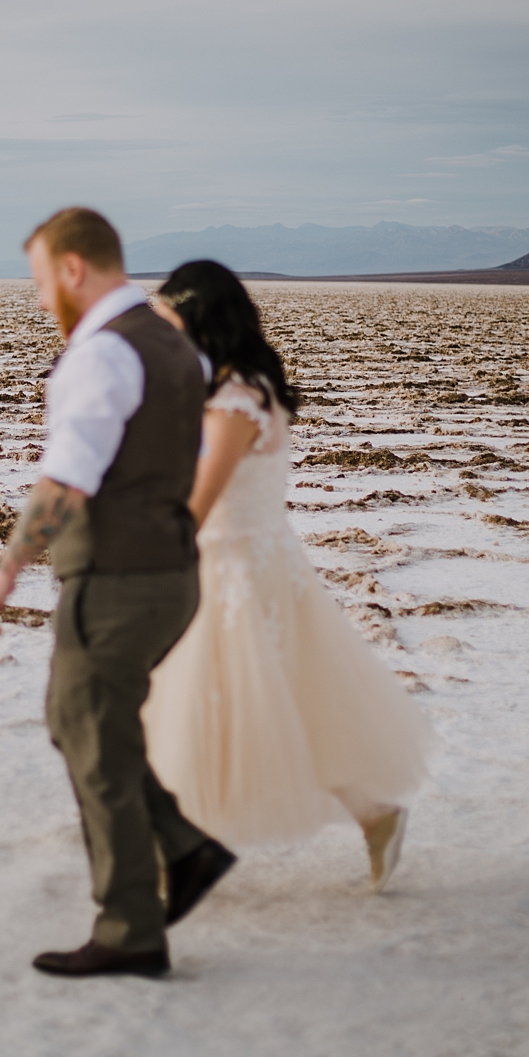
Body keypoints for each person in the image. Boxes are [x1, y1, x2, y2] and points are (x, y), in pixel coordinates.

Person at [0, 210, 236, 978]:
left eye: (36, 281)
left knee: (91, 740)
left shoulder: (99, 355)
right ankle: (185, 851)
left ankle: (130, 930)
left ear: (70, 269)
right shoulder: (176, 349)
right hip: (170, 574)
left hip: (119, 580)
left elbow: (66, 477)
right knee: (86, 724)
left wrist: (7, 567)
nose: (36, 300)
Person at [143, 261, 433, 891]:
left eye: (168, 322)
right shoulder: (245, 389)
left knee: (207, 708)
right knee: (290, 710)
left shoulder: (234, 401)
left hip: (232, 574)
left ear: (198, 320)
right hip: (262, 563)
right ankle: (374, 816)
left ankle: (173, 854)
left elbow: (199, 499)